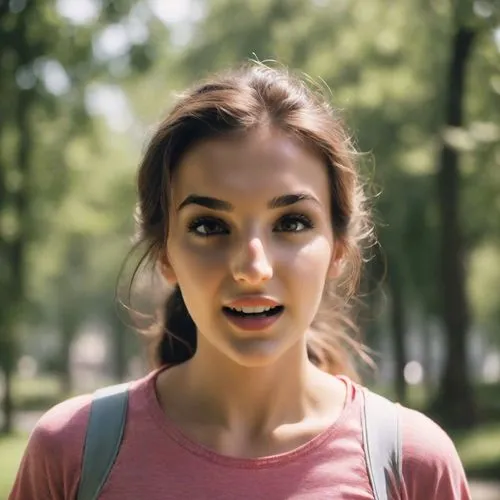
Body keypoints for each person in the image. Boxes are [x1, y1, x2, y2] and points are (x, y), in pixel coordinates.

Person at [9, 64, 470, 499]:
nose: (252, 267)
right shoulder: (71, 452)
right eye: (209, 226)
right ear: (164, 253)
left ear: (338, 250)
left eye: (291, 223)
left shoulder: (414, 465)